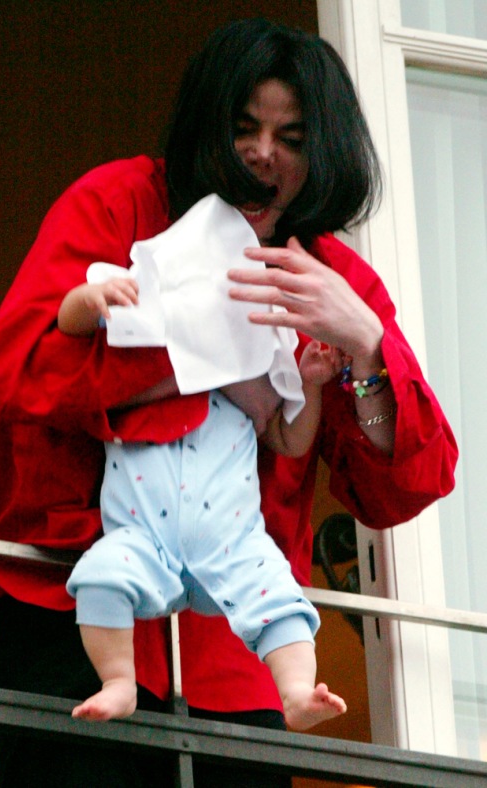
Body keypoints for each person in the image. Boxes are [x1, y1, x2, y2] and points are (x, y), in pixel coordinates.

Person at [0, 18, 458, 788]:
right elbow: (18, 374)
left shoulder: (327, 276)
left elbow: (406, 484)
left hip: (237, 647)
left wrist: (363, 345)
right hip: (80, 613)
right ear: (208, 127)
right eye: (243, 128)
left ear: (320, 150)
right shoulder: (118, 201)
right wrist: (205, 351)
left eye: (290, 136)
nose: (262, 153)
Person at [57, 263, 347, 730]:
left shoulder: (248, 372)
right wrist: (86, 299)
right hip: (142, 537)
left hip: (232, 540)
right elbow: (70, 326)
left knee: (281, 598)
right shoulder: (143, 336)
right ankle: (118, 680)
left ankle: (294, 692)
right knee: (99, 576)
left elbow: (289, 439)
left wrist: (309, 383)